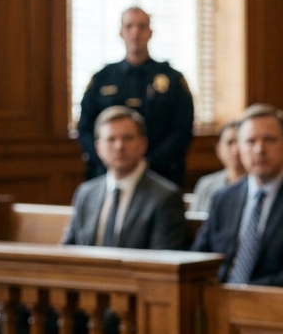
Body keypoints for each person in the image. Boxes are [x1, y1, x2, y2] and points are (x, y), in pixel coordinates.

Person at [192, 104, 283, 288]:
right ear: (240, 148)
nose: (259, 149)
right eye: (250, 141)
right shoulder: (223, 197)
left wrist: (245, 293)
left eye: (269, 140)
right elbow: (199, 257)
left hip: (275, 307)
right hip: (218, 301)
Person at [78, 7, 195, 185]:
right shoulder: (102, 79)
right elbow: (85, 128)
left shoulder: (172, 80)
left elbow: (182, 130)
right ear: (121, 32)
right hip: (107, 175)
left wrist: (146, 162)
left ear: (150, 32)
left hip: (159, 174)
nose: (135, 32)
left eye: (142, 26)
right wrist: (109, 159)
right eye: (129, 26)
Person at [61, 106, 189, 250]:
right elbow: (68, 252)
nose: (119, 146)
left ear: (143, 144)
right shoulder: (86, 193)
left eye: (127, 138)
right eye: (111, 139)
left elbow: (163, 263)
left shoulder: (165, 197)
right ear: (98, 148)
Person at [191, 120, 245, 214]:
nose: (236, 150)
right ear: (219, 149)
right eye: (230, 142)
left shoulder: (260, 186)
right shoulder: (206, 185)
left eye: (241, 142)